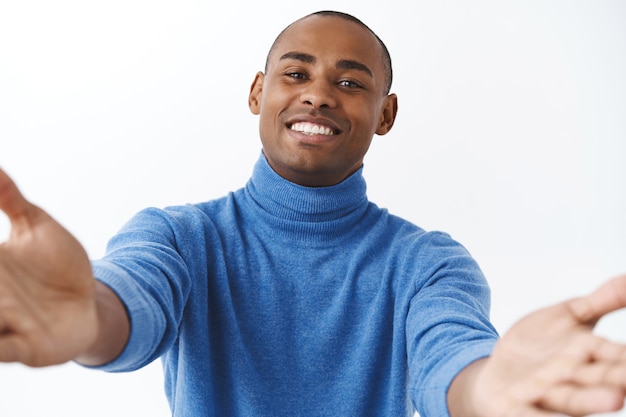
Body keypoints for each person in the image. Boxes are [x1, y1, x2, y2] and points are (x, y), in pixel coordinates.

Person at [0, 10, 624, 417]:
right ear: (258, 92)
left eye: (351, 83)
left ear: (386, 114)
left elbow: (451, 354)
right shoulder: (179, 237)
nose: (319, 93)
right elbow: (130, 303)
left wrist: (487, 390)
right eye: (295, 72)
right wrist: (85, 317)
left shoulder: (427, 262)